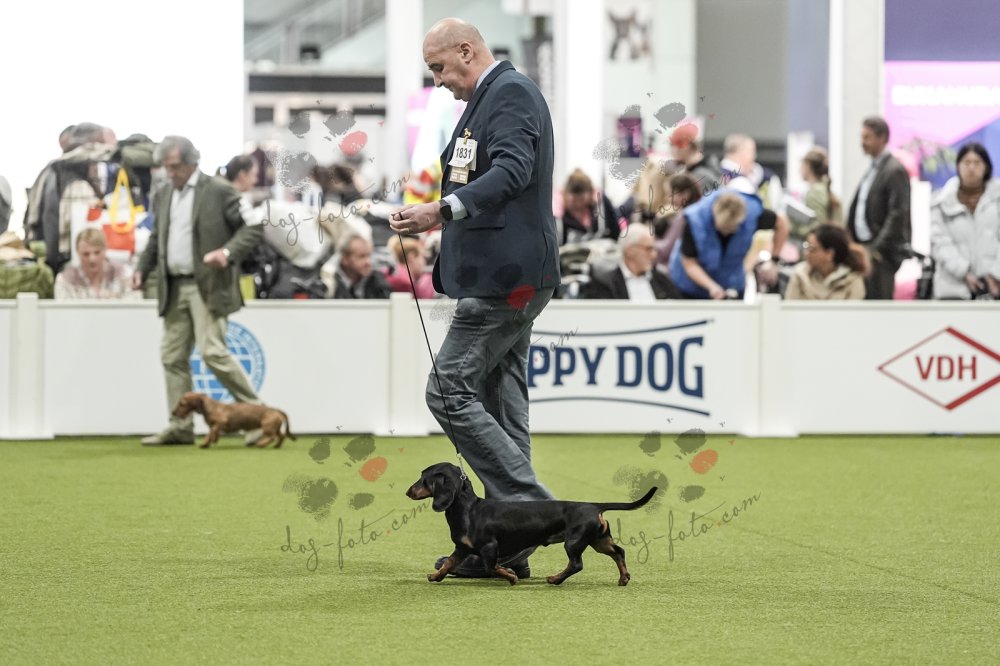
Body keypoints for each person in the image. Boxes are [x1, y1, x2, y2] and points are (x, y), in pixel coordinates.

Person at [389, 17, 560, 578]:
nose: (437, 80)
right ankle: (509, 546)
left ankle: (534, 513)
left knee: (447, 391)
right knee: (501, 401)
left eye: (438, 67)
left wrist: (440, 211)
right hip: (506, 276)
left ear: (466, 50)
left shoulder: (510, 94)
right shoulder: (489, 99)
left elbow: (513, 171)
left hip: (505, 280)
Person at [134, 136, 264, 446]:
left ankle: (258, 417)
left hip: (208, 285)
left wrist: (227, 253)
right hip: (173, 285)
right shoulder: (164, 193)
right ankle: (180, 427)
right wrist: (142, 268)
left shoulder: (219, 190)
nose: (170, 173)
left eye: (175, 166)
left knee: (213, 352)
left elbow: (254, 226)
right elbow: (156, 238)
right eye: (166, 167)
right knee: (172, 356)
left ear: (193, 162)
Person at [669, 190, 788, 299]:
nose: (728, 233)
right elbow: (690, 263)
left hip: (732, 282)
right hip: (690, 286)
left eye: (733, 228)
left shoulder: (752, 213)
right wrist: (712, 287)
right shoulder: (695, 220)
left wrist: (773, 260)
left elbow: (782, 224)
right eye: (724, 228)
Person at [846, 116, 911, 300]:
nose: (862, 142)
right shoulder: (873, 169)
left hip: (881, 255)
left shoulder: (894, 170)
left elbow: (898, 214)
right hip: (866, 249)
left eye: (867, 137)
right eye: (862, 137)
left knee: (879, 305)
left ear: (882, 138)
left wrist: (876, 249)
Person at [929, 142, 1000, 299]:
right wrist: (963, 271)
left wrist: (995, 274)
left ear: (986, 166)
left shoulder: (997, 199)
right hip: (953, 288)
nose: (971, 167)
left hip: (994, 286)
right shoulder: (941, 201)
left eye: (977, 162)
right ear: (958, 166)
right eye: (967, 162)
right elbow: (939, 243)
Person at [584, 222, 681, 300]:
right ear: (630, 250)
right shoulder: (606, 282)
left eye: (654, 249)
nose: (654, 255)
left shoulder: (661, 280)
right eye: (648, 249)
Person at [784, 224, 868, 300]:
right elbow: (789, 307)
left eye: (812, 249)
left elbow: (854, 310)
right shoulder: (800, 275)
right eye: (806, 247)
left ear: (829, 254)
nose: (806, 253)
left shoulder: (852, 279)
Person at [54, 228, 138, 299]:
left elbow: (134, 307)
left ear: (105, 249)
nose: (92, 259)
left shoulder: (124, 275)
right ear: (78, 253)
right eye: (86, 254)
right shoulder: (65, 280)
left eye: (97, 253)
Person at [556, 168, 625, 245]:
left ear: (591, 194)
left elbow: (615, 231)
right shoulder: (557, 214)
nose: (578, 205)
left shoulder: (602, 205)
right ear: (565, 196)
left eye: (582, 200)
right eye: (574, 201)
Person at [327, 232, 391, 299]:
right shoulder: (327, 284)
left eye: (369, 256)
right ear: (345, 259)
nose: (368, 262)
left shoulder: (377, 282)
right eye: (361, 257)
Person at [800, 147, 842, 229]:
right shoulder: (823, 188)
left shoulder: (816, 192)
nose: (799, 169)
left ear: (808, 165)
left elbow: (818, 227)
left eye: (802, 165)